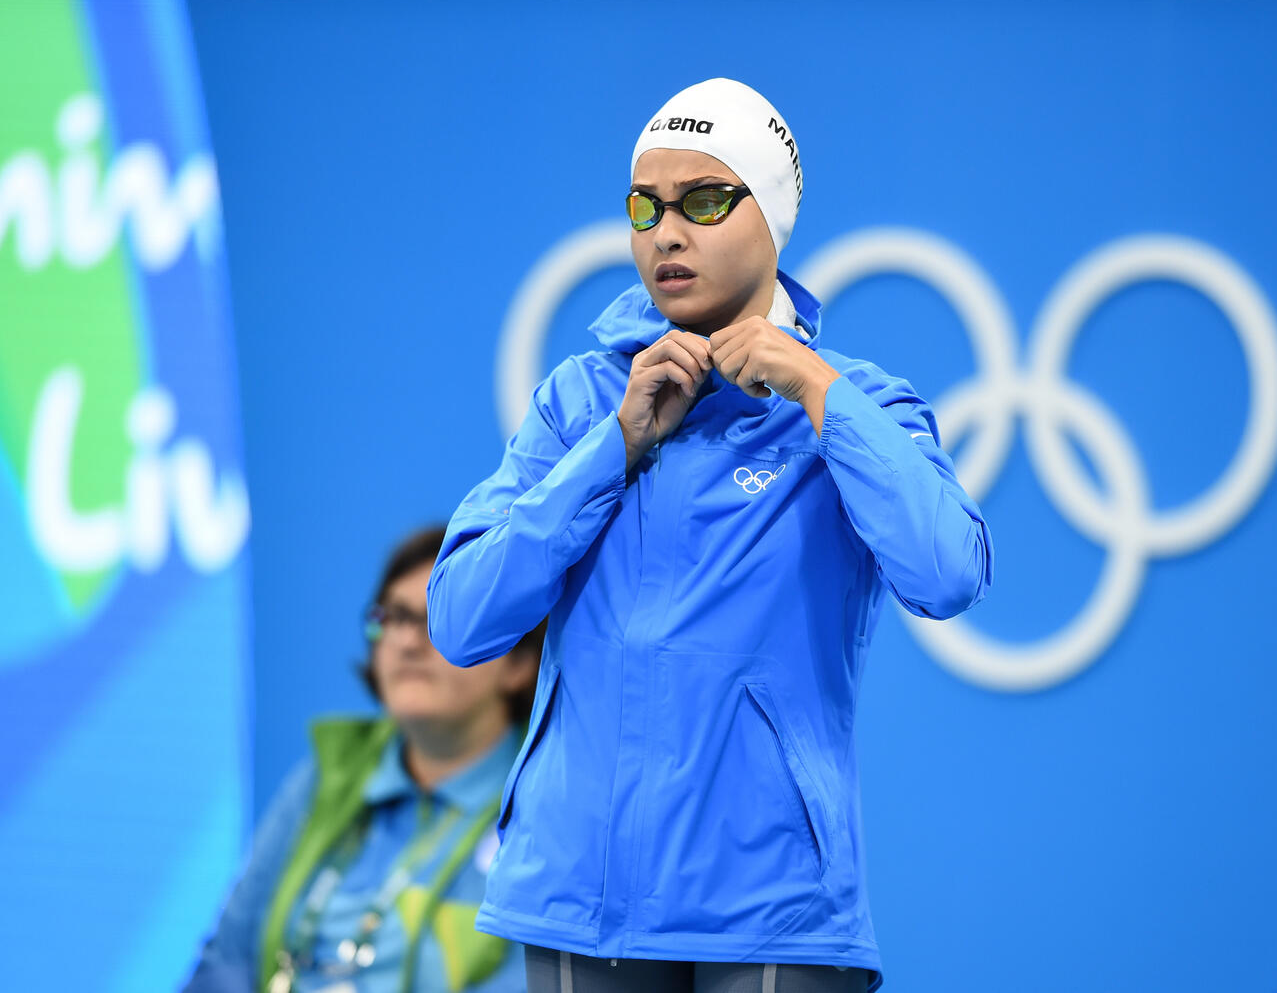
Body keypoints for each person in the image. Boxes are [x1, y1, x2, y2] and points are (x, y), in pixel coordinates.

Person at [427, 79, 993, 993]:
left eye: (704, 200)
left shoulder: (857, 402)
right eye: (646, 207)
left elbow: (947, 574)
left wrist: (817, 391)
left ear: (771, 220)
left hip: (773, 909)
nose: (667, 233)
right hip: (581, 896)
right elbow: (459, 620)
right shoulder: (579, 401)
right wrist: (612, 449)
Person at [184, 526, 542, 993]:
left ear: (519, 661)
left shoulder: (546, 802)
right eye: (393, 617)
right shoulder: (329, 775)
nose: (408, 642)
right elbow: (227, 963)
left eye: (440, 617)